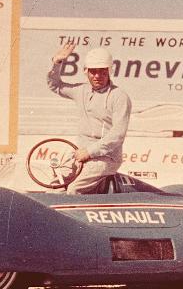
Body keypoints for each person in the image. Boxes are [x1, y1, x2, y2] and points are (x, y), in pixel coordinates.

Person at [48, 44, 131, 194]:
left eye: (102, 72)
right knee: (55, 188)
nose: (97, 76)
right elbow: (55, 85)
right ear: (86, 72)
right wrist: (57, 62)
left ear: (109, 71)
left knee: (74, 190)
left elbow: (118, 134)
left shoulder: (119, 97)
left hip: (106, 157)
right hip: (79, 153)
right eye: (93, 72)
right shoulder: (81, 90)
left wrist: (90, 152)